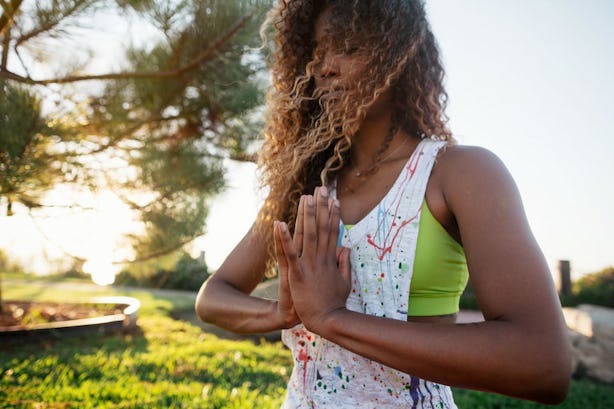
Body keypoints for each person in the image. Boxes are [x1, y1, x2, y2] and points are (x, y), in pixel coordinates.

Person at [195, 0, 571, 407]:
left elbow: (542, 363)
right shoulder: (303, 187)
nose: (325, 67)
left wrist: (333, 320)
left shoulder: (459, 173)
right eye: (316, 54)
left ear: (399, 53)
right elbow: (213, 296)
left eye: (349, 47)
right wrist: (283, 314)